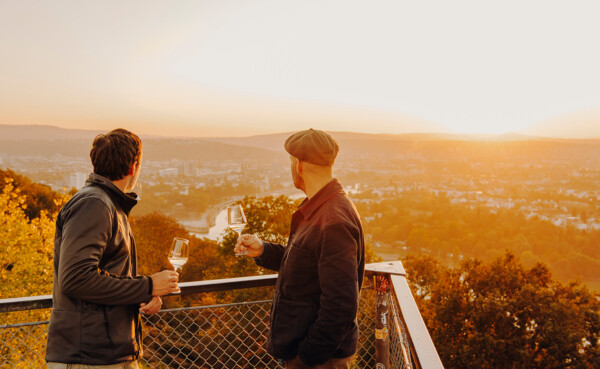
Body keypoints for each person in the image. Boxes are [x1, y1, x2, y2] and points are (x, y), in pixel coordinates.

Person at [46, 129, 180, 369]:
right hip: (89, 356)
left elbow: (105, 273)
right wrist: (148, 285)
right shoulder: (94, 204)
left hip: (108, 352)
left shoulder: (106, 203)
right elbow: (76, 278)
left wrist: (144, 293)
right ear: (133, 166)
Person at [235, 129, 365, 369]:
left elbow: (341, 304)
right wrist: (263, 250)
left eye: (291, 161)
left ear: (300, 165)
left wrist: (306, 358)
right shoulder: (321, 207)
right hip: (314, 356)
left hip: (320, 360)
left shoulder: (333, 219)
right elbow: (309, 264)